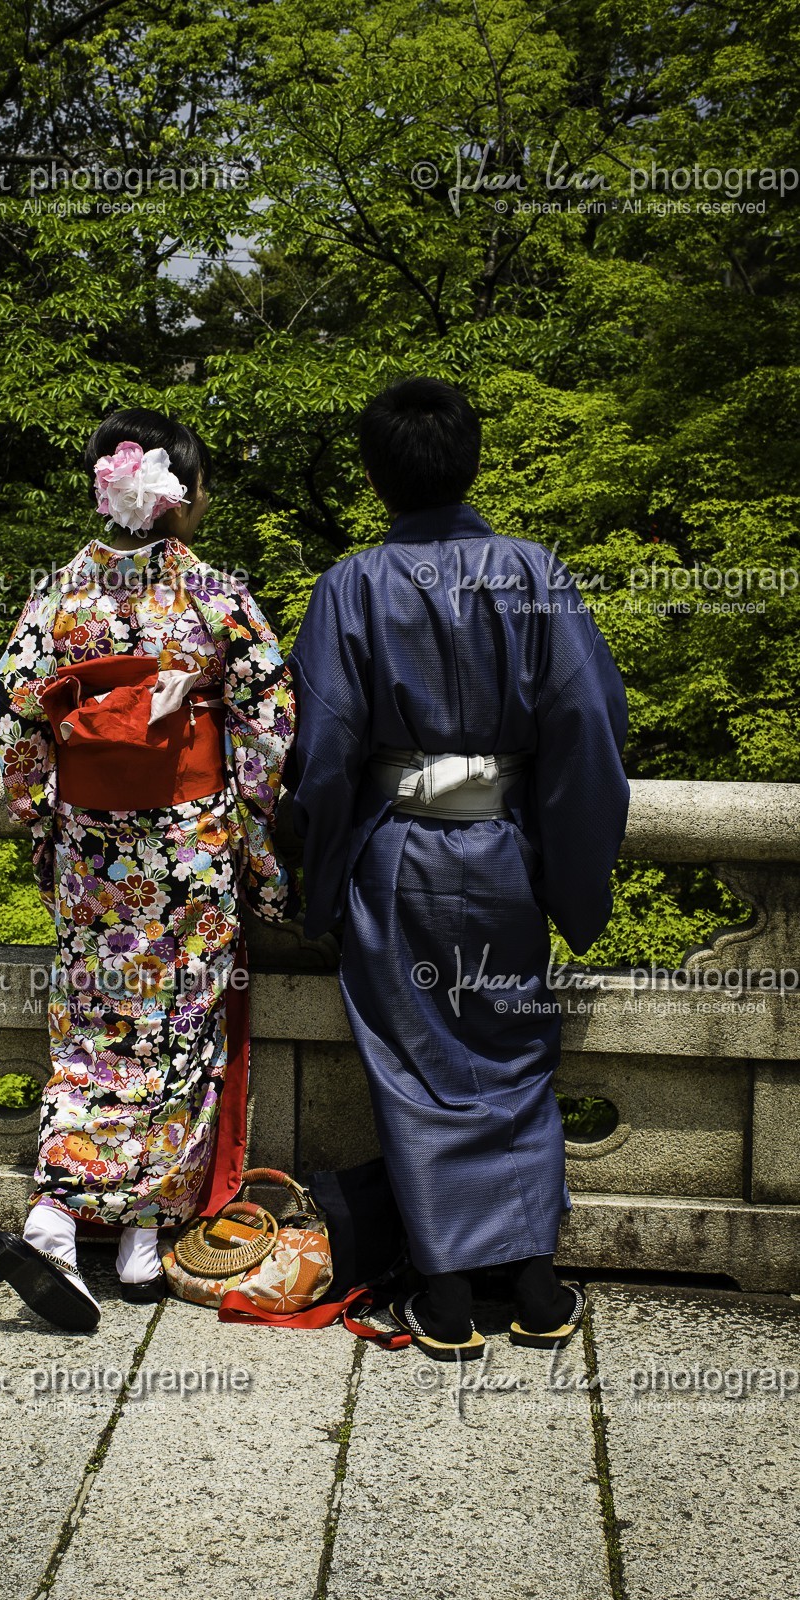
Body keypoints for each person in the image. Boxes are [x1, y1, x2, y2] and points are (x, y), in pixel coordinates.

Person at [284, 377, 629, 1361]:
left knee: (416, 1070)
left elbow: (322, 755)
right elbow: (584, 732)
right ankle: (533, 1284)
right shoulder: (534, 572)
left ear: (374, 473)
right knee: (514, 1058)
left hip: (399, 849)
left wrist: (317, 872)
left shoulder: (350, 585)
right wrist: (566, 872)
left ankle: (440, 1296)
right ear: (470, 459)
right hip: (503, 847)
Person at [0, 408, 298, 1330]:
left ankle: (91, 1227)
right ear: (186, 497)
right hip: (190, 847)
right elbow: (269, 730)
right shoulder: (215, 593)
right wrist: (259, 848)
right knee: (181, 1032)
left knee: (94, 1030)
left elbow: (13, 713)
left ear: (103, 490)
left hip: (94, 850)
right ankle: (117, 1233)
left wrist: (47, 820)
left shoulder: (58, 597)